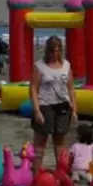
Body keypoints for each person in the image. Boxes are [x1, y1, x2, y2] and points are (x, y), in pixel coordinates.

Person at [29, 36, 76, 175]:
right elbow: (33, 88)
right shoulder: (40, 66)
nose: (53, 54)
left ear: (60, 51)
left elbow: (71, 89)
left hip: (62, 106)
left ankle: (61, 173)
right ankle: (36, 174)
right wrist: (36, 110)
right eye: (51, 51)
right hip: (45, 105)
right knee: (40, 142)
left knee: (60, 141)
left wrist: (74, 109)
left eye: (56, 51)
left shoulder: (66, 65)